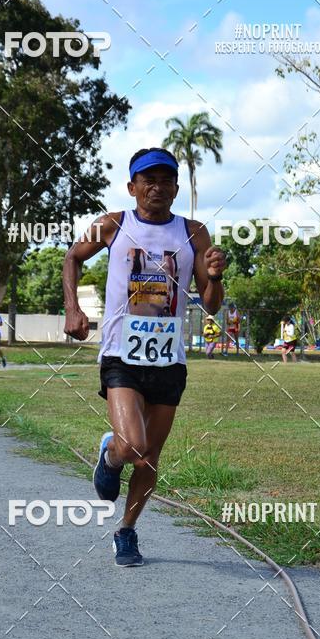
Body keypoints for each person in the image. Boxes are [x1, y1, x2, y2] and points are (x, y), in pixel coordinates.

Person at [63, 146, 226, 566]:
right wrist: (73, 308)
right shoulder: (113, 225)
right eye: (148, 180)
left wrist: (216, 276)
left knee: (150, 458)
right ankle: (111, 454)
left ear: (176, 188)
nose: (158, 187)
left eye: (166, 180)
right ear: (132, 186)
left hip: (169, 359)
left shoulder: (194, 233)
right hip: (122, 353)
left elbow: (211, 304)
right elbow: (72, 257)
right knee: (133, 447)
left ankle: (127, 531)